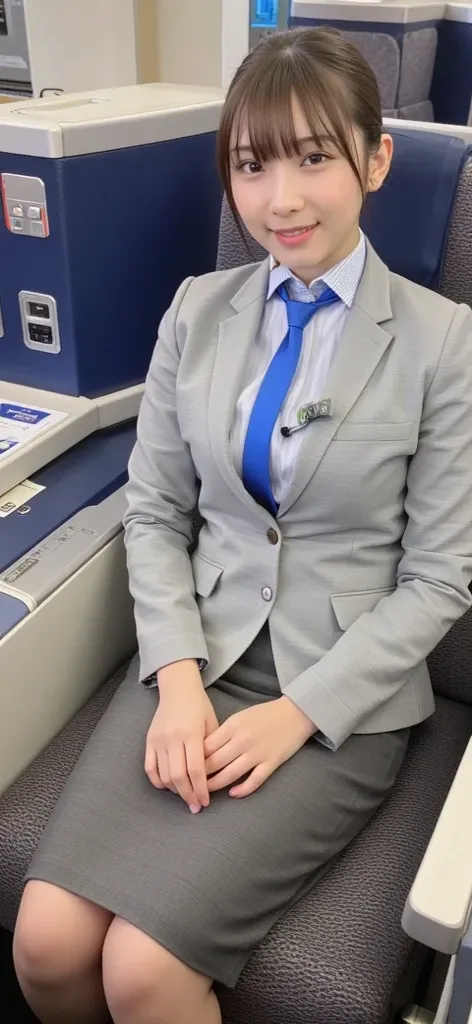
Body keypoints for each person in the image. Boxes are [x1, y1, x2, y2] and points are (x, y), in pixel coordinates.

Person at [12, 25, 472, 1024]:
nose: (283, 199)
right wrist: (176, 679)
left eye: (315, 158)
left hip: (339, 700)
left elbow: (439, 579)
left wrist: (299, 711)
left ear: (375, 159)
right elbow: (155, 511)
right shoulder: (196, 312)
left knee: (144, 968)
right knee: (45, 944)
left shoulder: (444, 345)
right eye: (253, 165)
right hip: (197, 661)